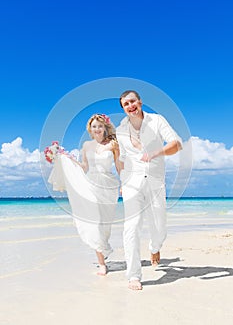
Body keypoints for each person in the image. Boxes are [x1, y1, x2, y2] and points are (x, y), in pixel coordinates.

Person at [116, 90, 182, 290]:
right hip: (131, 182)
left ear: (140, 101)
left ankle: (155, 247)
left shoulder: (157, 120)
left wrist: (155, 153)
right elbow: (122, 160)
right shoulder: (121, 131)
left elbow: (176, 144)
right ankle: (133, 276)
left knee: (159, 225)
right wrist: (121, 181)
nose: (130, 106)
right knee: (131, 226)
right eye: (126, 104)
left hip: (155, 180)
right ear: (124, 109)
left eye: (132, 101)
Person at [48, 114, 120, 276]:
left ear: (105, 127)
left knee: (104, 224)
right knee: (94, 222)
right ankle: (102, 264)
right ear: (90, 129)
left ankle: (104, 247)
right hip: (92, 185)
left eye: (100, 126)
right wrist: (67, 159)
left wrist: (126, 182)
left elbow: (118, 165)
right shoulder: (86, 146)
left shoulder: (113, 144)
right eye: (94, 126)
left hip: (109, 187)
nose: (97, 129)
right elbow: (84, 167)